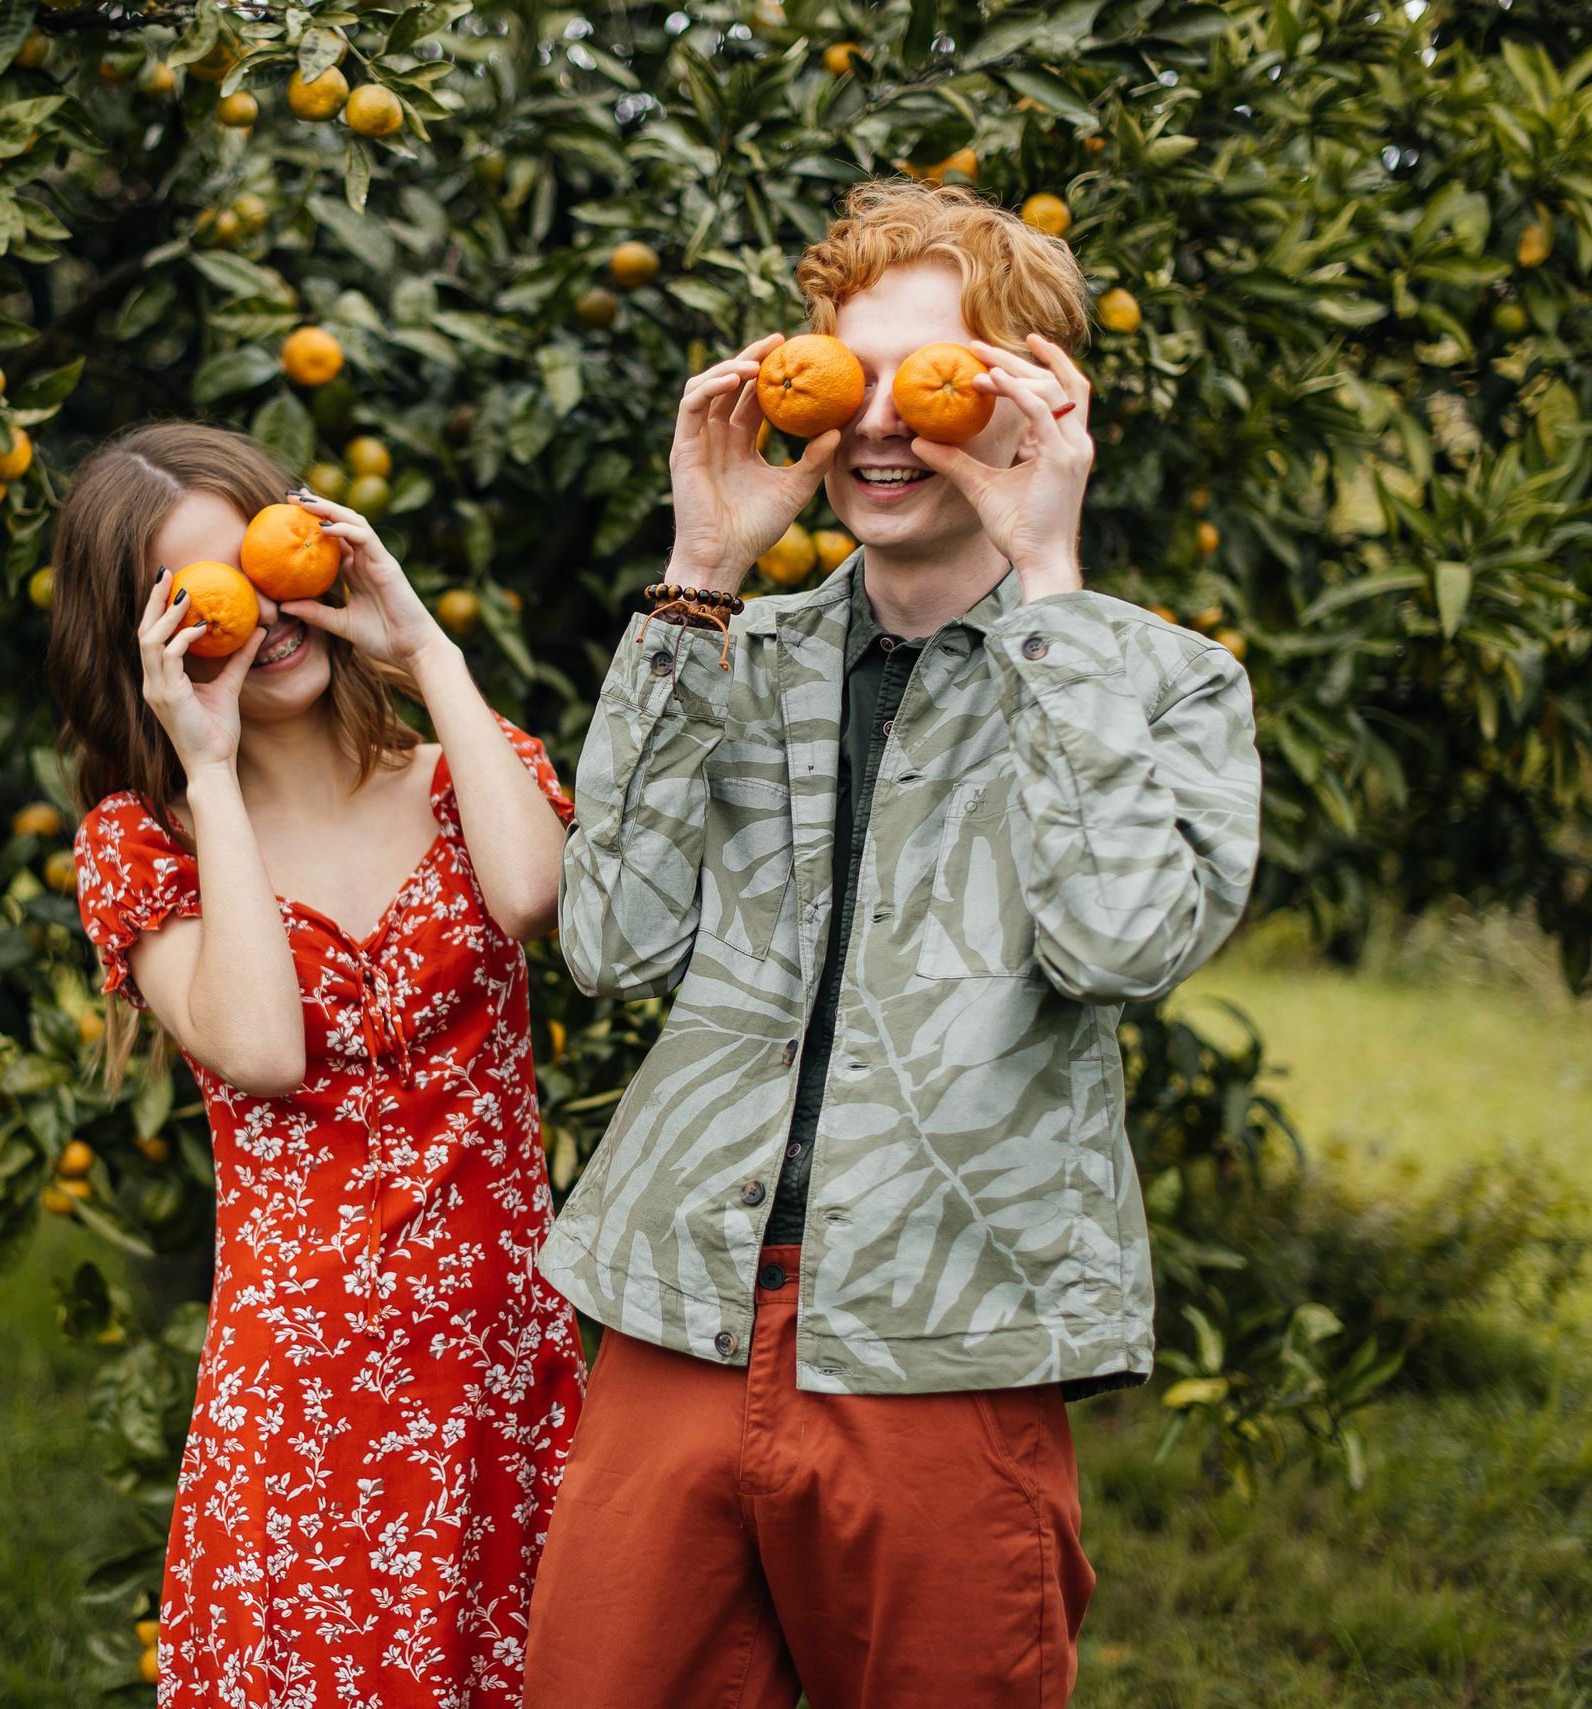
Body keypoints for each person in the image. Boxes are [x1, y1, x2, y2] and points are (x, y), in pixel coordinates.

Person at [523, 180, 1262, 1708]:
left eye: (926, 382)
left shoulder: (1165, 683)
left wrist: (1051, 588)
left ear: (1032, 404)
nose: (873, 425)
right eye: (847, 376)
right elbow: (608, 939)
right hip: (681, 1309)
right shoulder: (734, 646)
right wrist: (704, 568)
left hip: (951, 1334)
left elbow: (1120, 942)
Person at [49, 422, 586, 1708]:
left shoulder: (462, 776)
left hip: (507, 1368)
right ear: (150, 644)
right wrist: (212, 765)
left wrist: (424, 644)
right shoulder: (147, 847)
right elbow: (262, 1047)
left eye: (265, 558)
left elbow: (531, 893)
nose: (262, 609)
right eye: (201, 596)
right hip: (310, 1394)